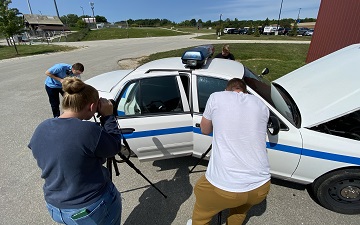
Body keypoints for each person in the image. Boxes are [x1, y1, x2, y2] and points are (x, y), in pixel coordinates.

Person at [29, 77, 122, 225]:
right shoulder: (89, 131)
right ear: (92, 107)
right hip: (89, 208)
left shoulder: (42, 127)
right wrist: (108, 116)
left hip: (56, 207)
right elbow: (114, 147)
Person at [188, 78, 271, 225]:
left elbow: (205, 130)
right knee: (239, 211)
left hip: (226, 188)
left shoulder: (216, 97)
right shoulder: (261, 104)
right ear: (245, 92)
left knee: (201, 195)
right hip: (261, 187)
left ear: (227, 90)